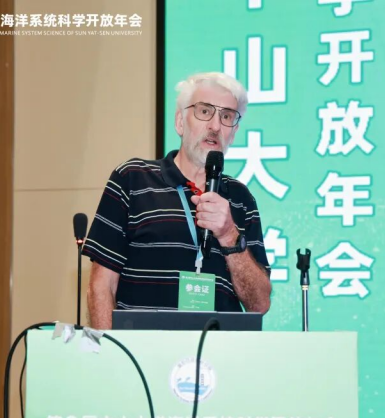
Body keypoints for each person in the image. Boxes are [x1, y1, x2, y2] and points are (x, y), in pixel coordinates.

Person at [84, 72, 272, 329]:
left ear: (234, 132)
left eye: (227, 116)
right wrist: (111, 350)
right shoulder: (132, 179)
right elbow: (101, 286)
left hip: (218, 351)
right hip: (143, 350)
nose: (216, 126)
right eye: (204, 111)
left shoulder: (241, 198)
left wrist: (229, 234)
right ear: (180, 122)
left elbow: (259, 304)